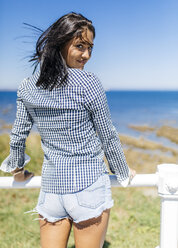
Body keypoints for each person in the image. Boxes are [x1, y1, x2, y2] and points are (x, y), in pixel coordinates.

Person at [0, 12, 136, 248]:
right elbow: (107, 134)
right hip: (89, 188)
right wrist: (122, 171)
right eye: (80, 46)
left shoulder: (27, 86)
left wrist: (18, 171)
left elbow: (18, 135)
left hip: (52, 191)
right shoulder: (89, 82)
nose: (86, 55)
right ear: (60, 43)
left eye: (90, 48)